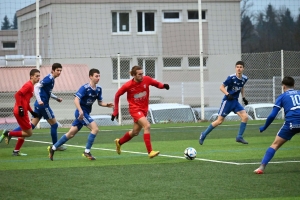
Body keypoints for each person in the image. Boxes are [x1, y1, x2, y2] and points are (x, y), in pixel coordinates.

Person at [48, 68, 113, 161]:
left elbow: (100, 102)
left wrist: (106, 105)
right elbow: (76, 99)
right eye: (96, 76)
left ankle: (53, 148)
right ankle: (87, 152)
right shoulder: (85, 88)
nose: (98, 78)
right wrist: (80, 111)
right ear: (90, 77)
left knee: (70, 134)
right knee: (95, 129)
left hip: (85, 113)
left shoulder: (99, 89)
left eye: (99, 76)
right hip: (81, 112)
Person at [2, 63, 65, 156]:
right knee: (54, 125)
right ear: (53, 70)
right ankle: (56, 145)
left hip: (38, 106)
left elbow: (46, 92)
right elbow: (34, 88)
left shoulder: (49, 80)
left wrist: (56, 98)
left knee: (29, 128)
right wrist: (38, 101)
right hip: (43, 106)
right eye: (57, 70)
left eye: (60, 70)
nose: (59, 72)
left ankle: (15, 149)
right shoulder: (47, 79)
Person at [111, 65, 170, 158]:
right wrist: (116, 110)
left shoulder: (147, 79)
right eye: (139, 74)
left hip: (144, 110)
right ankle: (150, 151)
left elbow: (157, 84)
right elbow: (117, 95)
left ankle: (119, 142)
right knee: (147, 125)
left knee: (135, 132)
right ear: (134, 75)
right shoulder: (128, 85)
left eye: (142, 74)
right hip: (134, 109)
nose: (142, 76)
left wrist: (164, 86)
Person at [254, 76, 300, 174]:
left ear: (283, 87)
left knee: (275, 144)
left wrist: (264, 127)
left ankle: (261, 168)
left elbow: (272, 115)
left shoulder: (282, 97)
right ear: (294, 85)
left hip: (291, 123)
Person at [199, 61, 249, 145]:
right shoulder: (231, 78)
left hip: (235, 102)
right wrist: (227, 94)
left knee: (245, 117)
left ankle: (239, 137)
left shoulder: (244, 78)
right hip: (227, 102)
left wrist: (243, 97)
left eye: (240, 67)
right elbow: (221, 87)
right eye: (237, 67)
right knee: (219, 121)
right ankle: (203, 134)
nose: (239, 68)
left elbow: (242, 86)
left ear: (243, 68)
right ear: (235, 68)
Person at [0, 69, 40, 148]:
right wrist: (20, 107)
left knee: (25, 131)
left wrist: (32, 112)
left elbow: (26, 101)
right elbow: (17, 94)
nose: (38, 78)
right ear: (31, 77)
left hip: (22, 111)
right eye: (37, 76)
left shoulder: (31, 86)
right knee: (29, 133)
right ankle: (8, 133)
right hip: (20, 111)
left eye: (39, 76)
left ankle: (16, 151)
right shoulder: (28, 85)